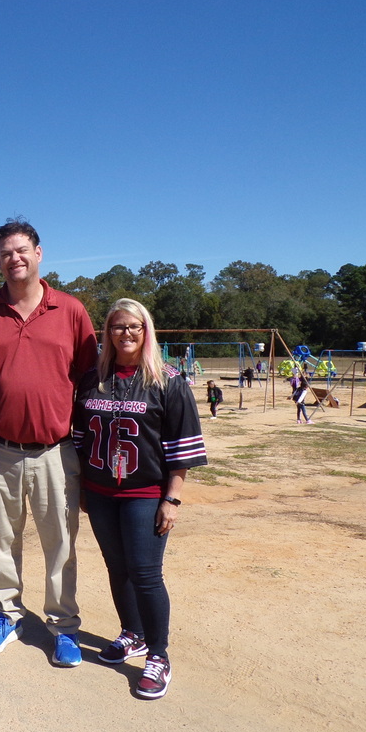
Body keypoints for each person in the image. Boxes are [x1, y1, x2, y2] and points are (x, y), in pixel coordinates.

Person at [0, 217, 98, 668]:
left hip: (56, 451)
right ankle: (6, 615)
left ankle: (62, 626)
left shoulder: (70, 310)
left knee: (61, 544)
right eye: (4, 253)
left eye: (21, 250)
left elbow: (90, 379)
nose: (13, 258)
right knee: (2, 539)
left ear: (39, 253)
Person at [73, 298, 206, 700]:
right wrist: (82, 487)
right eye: (118, 327)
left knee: (146, 573)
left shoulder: (167, 380)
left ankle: (159, 655)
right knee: (117, 567)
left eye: (134, 326)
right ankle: (133, 634)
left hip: (145, 492)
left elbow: (180, 446)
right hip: (99, 491)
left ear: (146, 331)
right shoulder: (92, 378)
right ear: (107, 333)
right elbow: (80, 438)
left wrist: (173, 498)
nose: (126, 334)